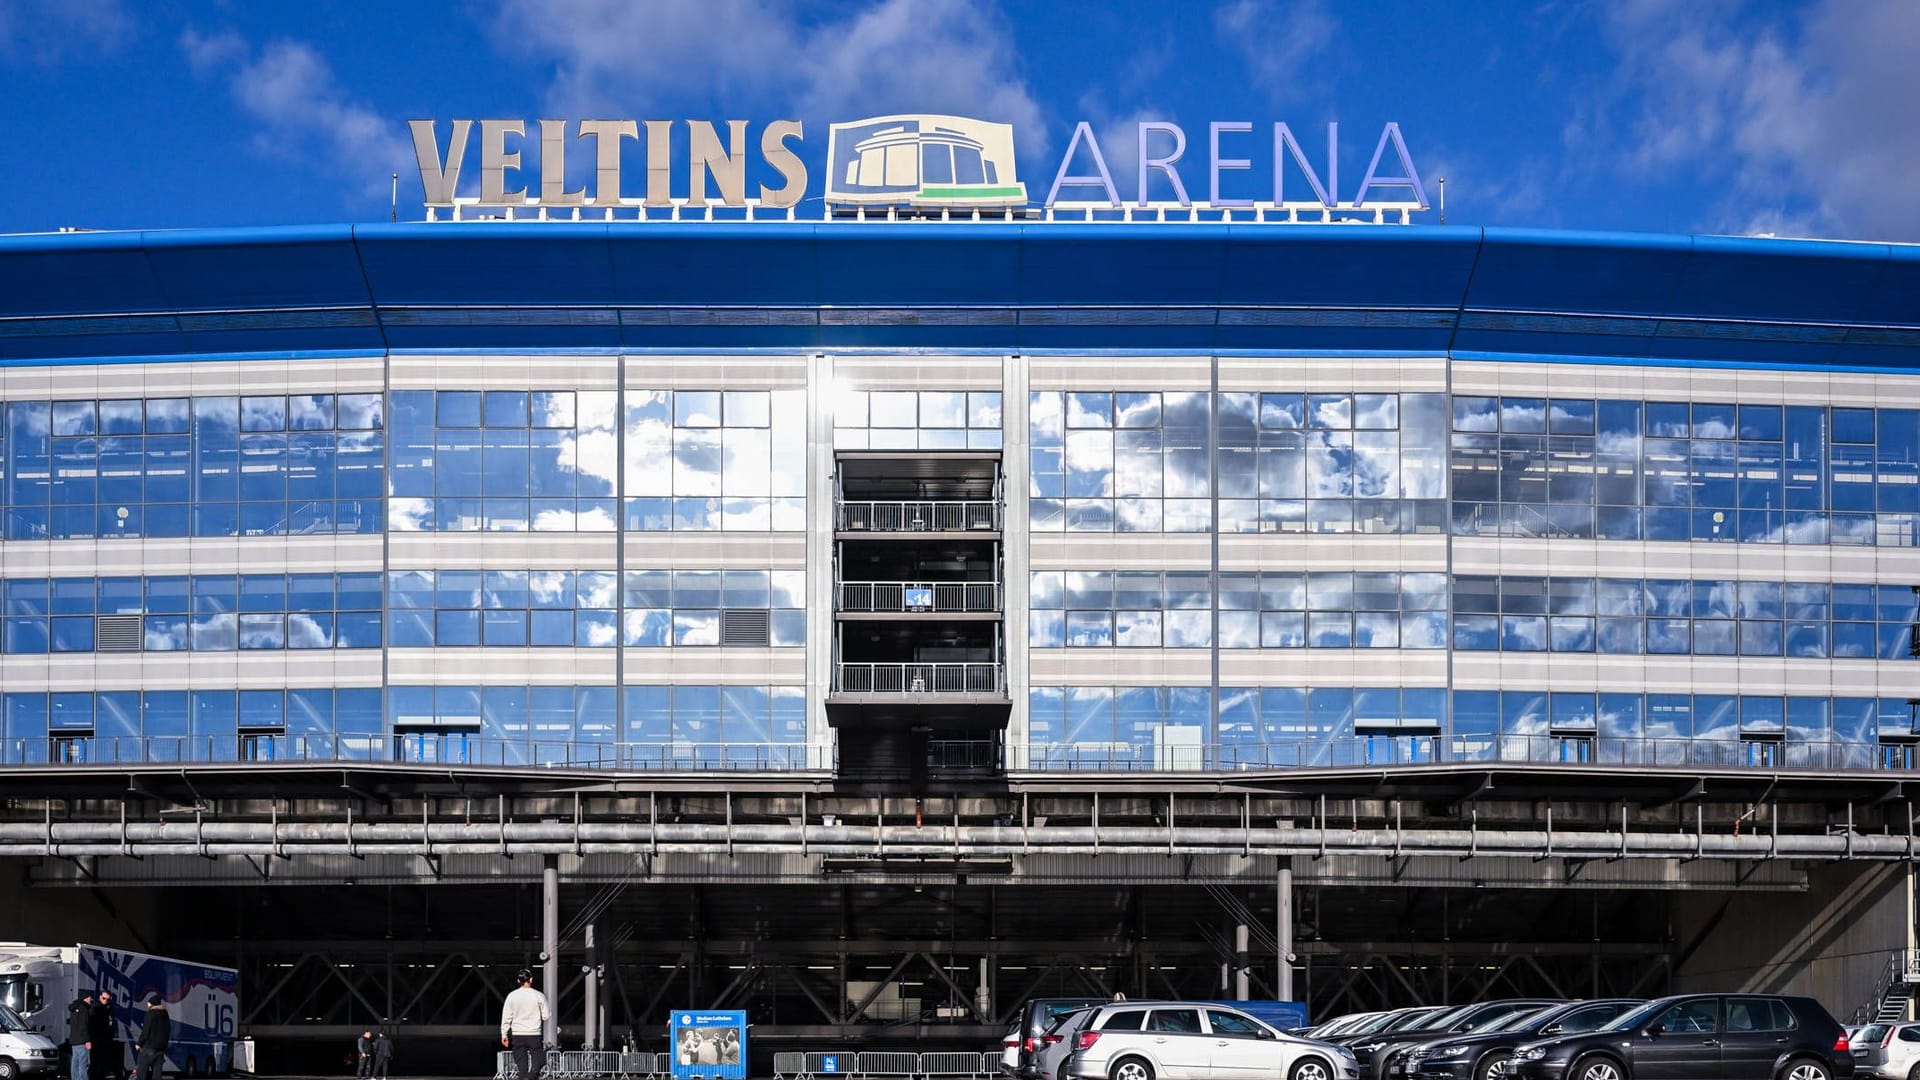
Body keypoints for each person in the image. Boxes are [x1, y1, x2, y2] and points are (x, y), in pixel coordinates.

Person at [499, 969, 549, 1080]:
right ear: (531, 979)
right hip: (534, 1034)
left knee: (522, 1068)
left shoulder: (511, 996)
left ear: (518, 981)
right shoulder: (539, 995)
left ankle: (526, 1077)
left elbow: (506, 1016)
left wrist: (504, 1034)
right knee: (539, 1061)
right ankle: (532, 1076)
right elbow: (546, 1016)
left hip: (518, 1034)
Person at [132, 996, 169, 1080]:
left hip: (149, 1047)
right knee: (157, 1075)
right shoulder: (165, 1014)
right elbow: (168, 1031)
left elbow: (146, 1030)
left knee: (142, 1072)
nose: (147, 1004)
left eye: (148, 1002)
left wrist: (139, 1043)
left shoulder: (151, 1013)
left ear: (151, 1003)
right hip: (160, 1049)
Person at [88, 991, 117, 1080]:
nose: (105, 1000)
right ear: (100, 997)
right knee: (94, 1063)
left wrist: (111, 1035)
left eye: (107, 999)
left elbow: (111, 1023)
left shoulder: (110, 1008)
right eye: (104, 998)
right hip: (96, 1039)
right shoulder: (95, 1007)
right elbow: (90, 1024)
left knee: (103, 1063)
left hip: (106, 1040)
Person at [66, 992, 93, 1080]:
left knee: (75, 1063)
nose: (91, 999)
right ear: (85, 998)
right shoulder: (84, 1009)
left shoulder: (74, 1009)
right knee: (83, 1064)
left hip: (74, 1040)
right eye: (90, 997)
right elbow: (83, 1026)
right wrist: (87, 1040)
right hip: (82, 1041)